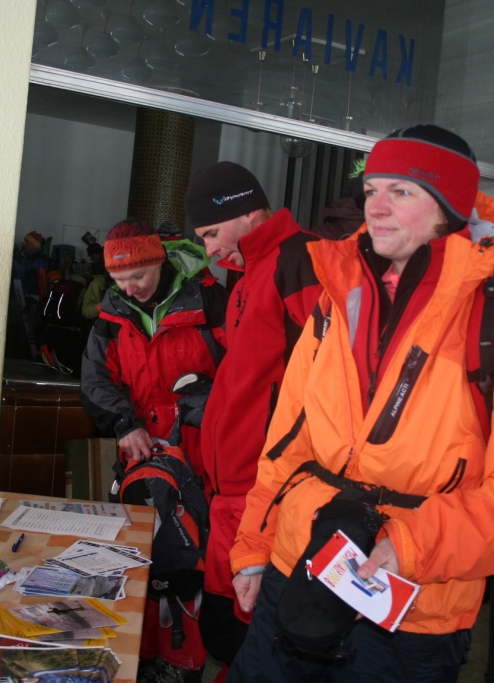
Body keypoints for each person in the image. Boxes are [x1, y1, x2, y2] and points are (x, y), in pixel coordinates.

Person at [227, 125, 494, 682]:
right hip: (299, 571)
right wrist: (255, 546)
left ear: (448, 208)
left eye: (402, 192)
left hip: (412, 607)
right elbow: (288, 443)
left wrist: (410, 546)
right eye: (371, 191)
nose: (376, 208)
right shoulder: (334, 302)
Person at [185, 162, 323, 678]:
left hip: (269, 494)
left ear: (248, 212)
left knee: (255, 637)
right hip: (230, 493)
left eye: (212, 233)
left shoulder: (302, 260)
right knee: (225, 631)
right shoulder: (246, 278)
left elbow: (330, 385)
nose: (210, 251)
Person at [80, 219, 227, 680]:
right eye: (120, 281)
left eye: (138, 277)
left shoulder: (210, 302)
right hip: (141, 457)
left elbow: (245, 371)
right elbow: (95, 380)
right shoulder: (112, 312)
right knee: (139, 557)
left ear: (159, 261)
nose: (131, 288)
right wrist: (125, 426)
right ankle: (139, 656)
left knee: (190, 560)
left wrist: (208, 401)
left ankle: (185, 661)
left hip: (204, 458)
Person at [81, 243, 110, 320]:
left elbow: (86, 310)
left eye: (92, 256)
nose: (91, 259)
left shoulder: (98, 272)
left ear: (97, 254)